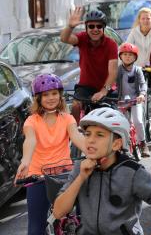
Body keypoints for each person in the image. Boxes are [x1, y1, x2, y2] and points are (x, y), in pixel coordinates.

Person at [53, 107, 151, 235]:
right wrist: (81, 177)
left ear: (116, 144)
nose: (90, 139)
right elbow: (58, 212)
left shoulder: (132, 171)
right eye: (87, 134)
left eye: (99, 135)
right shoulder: (80, 166)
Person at [15, 74, 85, 235]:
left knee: (86, 215)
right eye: (45, 95)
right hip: (38, 175)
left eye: (54, 93)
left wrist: (93, 153)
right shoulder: (31, 121)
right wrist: (25, 161)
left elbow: (77, 137)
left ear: (60, 95)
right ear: (38, 98)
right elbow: (30, 141)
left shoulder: (67, 118)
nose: (51, 98)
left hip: (64, 173)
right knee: (36, 227)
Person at [60, 7, 119, 121]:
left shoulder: (111, 44)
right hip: (85, 87)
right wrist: (70, 26)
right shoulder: (82, 38)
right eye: (91, 26)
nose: (95, 29)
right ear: (86, 28)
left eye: (99, 26)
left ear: (103, 28)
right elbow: (64, 38)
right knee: (76, 105)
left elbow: (113, 72)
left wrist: (103, 91)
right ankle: (75, 134)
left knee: (112, 114)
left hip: (106, 87)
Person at [125, 7, 151, 143]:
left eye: (148, 18)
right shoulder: (134, 32)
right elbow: (127, 48)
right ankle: (137, 129)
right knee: (136, 98)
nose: (146, 20)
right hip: (139, 68)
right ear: (139, 20)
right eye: (143, 18)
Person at [115, 43, 150, 157]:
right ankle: (125, 145)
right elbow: (112, 84)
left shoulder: (137, 70)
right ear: (120, 56)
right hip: (121, 101)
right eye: (124, 54)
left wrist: (142, 94)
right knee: (122, 124)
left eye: (130, 55)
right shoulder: (118, 70)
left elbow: (142, 84)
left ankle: (143, 143)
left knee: (138, 121)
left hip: (136, 100)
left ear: (135, 57)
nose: (127, 57)